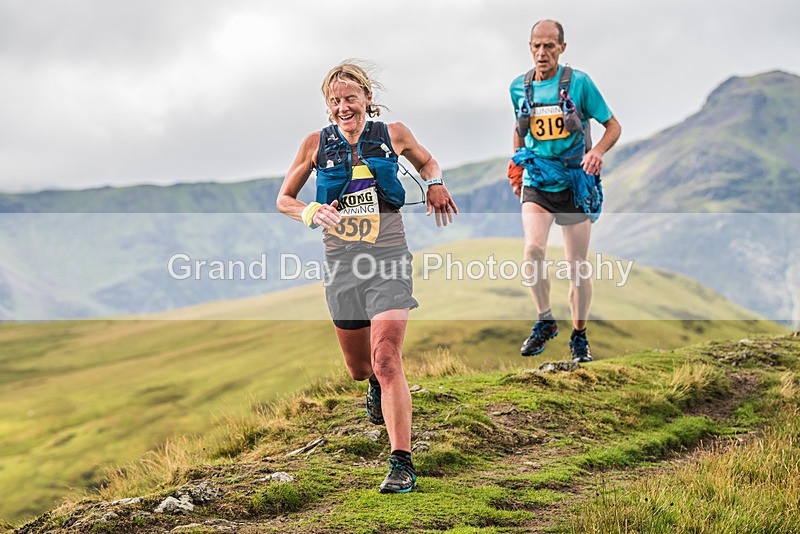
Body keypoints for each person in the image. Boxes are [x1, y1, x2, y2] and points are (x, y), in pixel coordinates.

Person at [277, 61, 457, 493]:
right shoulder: (315, 145)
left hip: (389, 258)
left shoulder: (392, 133)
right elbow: (283, 198)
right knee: (361, 368)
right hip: (342, 265)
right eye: (335, 101)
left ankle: (401, 462)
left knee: (387, 357)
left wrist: (436, 183)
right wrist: (310, 211)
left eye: (350, 98)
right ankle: (373, 384)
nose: (343, 107)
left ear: (366, 99)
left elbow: (427, 160)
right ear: (328, 107)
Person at [508, 20, 621, 362]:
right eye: (536, 46)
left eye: (549, 47)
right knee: (533, 250)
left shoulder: (580, 84)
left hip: (574, 181)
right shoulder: (519, 87)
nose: (542, 53)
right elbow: (520, 128)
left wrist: (597, 151)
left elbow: (613, 126)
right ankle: (544, 321)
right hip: (538, 180)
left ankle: (579, 337)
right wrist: (516, 163)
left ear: (562, 48)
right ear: (529, 47)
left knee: (577, 267)